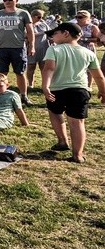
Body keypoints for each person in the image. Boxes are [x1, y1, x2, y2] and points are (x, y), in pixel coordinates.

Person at [41, 22, 105, 164]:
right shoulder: (89, 53)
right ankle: (78, 154)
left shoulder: (54, 50)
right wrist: (103, 90)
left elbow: (49, 69)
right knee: (77, 122)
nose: (52, 37)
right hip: (80, 91)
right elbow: (99, 75)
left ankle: (62, 141)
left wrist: (45, 86)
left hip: (57, 90)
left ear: (66, 34)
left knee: (55, 113)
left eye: (55, 34)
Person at [0, 0, 35, 105]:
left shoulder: (23, 13)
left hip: (18, 47)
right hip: (0, 48)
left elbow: (30, 31)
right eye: (5, 0)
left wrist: (32, 46)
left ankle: (23, 96)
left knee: (20, 72)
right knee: (1, 73)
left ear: (16, 0)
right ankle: (1, 96)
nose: (7, 2)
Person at [25, 9, 52, 89]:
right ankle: (30, 84)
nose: (41, 19)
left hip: (44, 48)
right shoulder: (27, 24)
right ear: (32, 16)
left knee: (43, 67)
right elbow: (27, 35)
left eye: (42, 17)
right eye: (39, 17)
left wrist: (51, 38)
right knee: (31, 67)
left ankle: (45, 84)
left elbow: (50, 33)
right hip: (31, 48)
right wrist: (42, 33)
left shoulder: (43, 24)